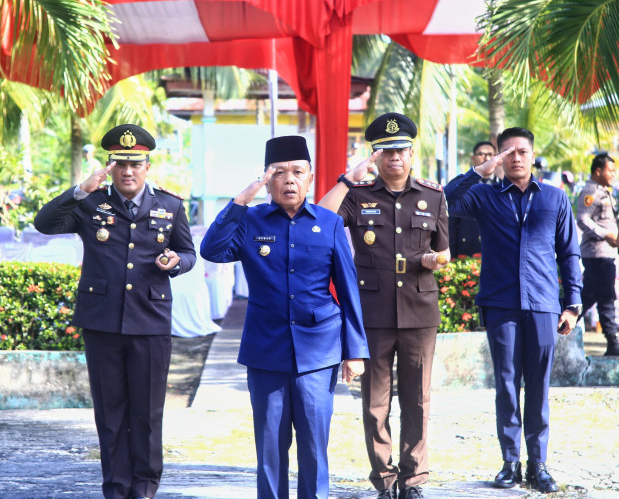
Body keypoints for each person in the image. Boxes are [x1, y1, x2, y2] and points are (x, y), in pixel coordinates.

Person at [200, 135, 369, 499]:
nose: (289, 180)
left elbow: (348, 288)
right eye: (279, 173)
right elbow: (211, 250)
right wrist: (239, 202)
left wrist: (354, 351)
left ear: (310, 178)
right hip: (267, 352)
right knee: (270, 451)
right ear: (267, 180)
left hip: (319, 352)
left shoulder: (329, 224)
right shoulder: (250, 220)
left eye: (297, 172)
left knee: (313, 448)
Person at [34, 123, 196, 499]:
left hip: (150, 321)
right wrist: (79, 190)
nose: (127, 171)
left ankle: (144, 485)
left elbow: (189, 252)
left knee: (147, 412)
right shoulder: (90, 203)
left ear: (147, 166)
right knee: (110, 412)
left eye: (135, 163)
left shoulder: (170, 206)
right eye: (119, 163)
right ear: (109, 166)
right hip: (103, 321)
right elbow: (43, 224)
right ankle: (116, 486)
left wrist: (176, 261)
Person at [318, 112, 450, 499]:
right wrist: (347, 179)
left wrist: (434, 261)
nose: (395, 157)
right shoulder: (358, 196)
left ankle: (413, 480)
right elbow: (321, 218)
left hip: (419, 311)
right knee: (375, 403)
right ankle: (385, 480)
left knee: (418, 400)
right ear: (374, 157)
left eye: (401, 150)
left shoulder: (433, 195)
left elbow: (444, 252)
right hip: (372, 313)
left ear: (412, 154)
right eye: (386, 151)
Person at [444, 126, 582, 494]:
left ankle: (538, 463)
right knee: (506, 384)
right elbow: (442, 203)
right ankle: (510, 462)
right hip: (500, 303)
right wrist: (478, 172)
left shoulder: (555, 198)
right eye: (508, 153)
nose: (516, 158)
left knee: (538, 386)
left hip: (542, 306)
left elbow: (569, 253)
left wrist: (573, 304)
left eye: (522, 151)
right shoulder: (483, 197)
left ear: (533, 155)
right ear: (499, 157)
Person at [577, 153, 619, 356]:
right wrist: (606, 235)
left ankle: (556, 324)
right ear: (598, 171)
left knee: (588, 296)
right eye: (610, 170)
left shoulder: (604, 191)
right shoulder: (591, 192)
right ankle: (613, 342)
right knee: (605, 296)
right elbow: (583, 219)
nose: (614, 174)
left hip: (605, 252)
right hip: (597, 253)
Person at [448, 141, 499, 258]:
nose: (486, 158)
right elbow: (451, 223)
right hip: (466, 253)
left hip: (496, 254)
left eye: (490, 154)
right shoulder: (461, 188)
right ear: (473, 158)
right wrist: (451, 255)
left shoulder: (504, 187)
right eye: (481, 154)